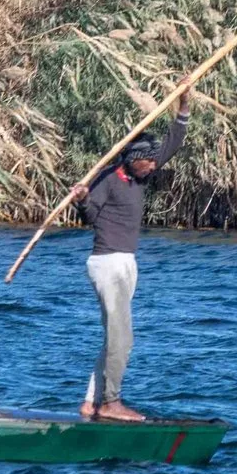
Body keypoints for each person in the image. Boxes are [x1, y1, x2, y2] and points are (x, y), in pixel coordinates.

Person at [66, 88, 190, 422]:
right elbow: (90, 217)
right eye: (147, 161)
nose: (153, 166)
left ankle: (91, 402)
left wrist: (183, 102)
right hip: (106, 263)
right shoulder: (107, 179)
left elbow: (173, 143)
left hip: (127, 263)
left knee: (114, 339)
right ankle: (110, 402)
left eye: (153, 161)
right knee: (123, 338)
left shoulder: (141, 174)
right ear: (133, 160)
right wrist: (81, 198)